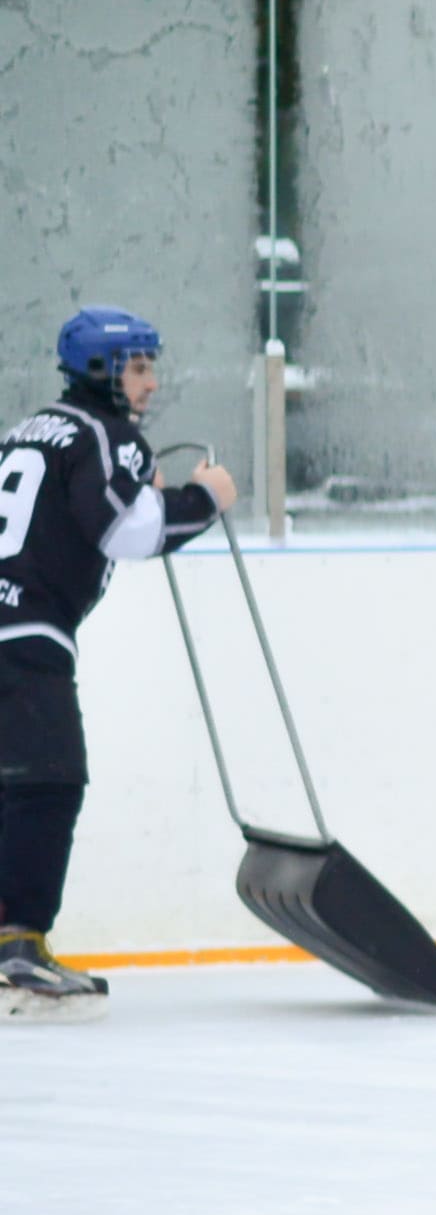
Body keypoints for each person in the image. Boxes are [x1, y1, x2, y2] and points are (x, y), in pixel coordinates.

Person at [2, 305, 235, 1019]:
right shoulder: (110, 435)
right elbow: (127, 532)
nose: (150, 384)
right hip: (27, 637)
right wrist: (207, 500)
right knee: (49, 782)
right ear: (101, 373)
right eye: (138, 368)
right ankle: (17, 949)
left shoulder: (27, 428)